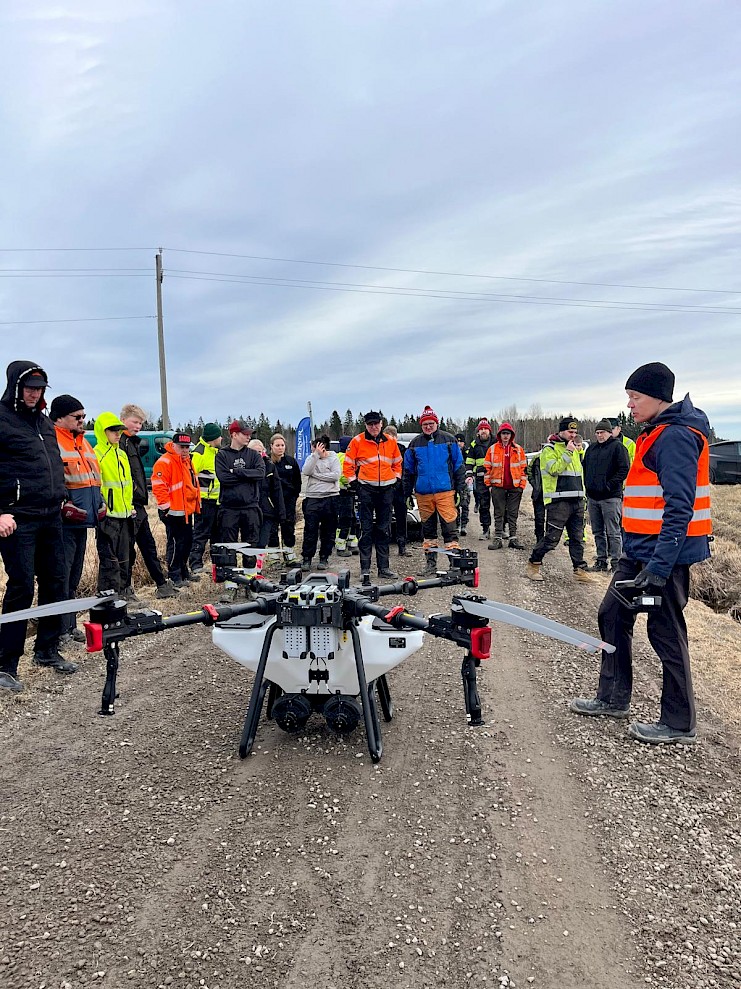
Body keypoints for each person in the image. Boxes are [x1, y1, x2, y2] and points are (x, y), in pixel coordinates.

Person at [571, 362, 711, 745]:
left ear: (658, 397)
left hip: (663, 557)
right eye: (629, 398)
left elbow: (679, 507)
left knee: (665, 632)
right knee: (612, 615)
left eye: (635, 397)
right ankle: (613, 698)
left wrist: (660, 567)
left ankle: (679, 722)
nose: (630, 405)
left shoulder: (676, 436)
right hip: (638, 551)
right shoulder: (657, 432)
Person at [0, 362, 76, 691]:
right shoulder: (2, 419)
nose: (35, 393)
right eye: (30, 387)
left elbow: (52, 465)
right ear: (16, 387)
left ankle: (46, 650)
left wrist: (62, 498)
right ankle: (6, 664)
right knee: (21, 588)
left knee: (55, 583)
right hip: (17, 518)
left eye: (40, 388)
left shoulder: (44, 423)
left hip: (51, 516)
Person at [51, 394, 105, 644]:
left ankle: (69, 626)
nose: (82, 420)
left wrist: (100, 502)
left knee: (73, 577)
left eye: (84, 416)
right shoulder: (52, 442)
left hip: (82, 521)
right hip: (63, 524)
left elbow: (93, 479)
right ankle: (59, 630)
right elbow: (52, 480)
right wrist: (64, 505)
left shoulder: (83, 443)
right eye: (77, 417)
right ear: (60, 417)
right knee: (60, 578)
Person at [119, 404, 178, 600]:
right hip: (128, 506)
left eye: (141, 423)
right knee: (128, 551)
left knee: (148, 547)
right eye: (135, 422)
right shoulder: (121, 444)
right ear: (123, 420)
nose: (138, 426)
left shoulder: (133, 443)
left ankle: (162, 584)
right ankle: (125, 591)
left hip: (139, 504)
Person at [526, 416, 592, 584]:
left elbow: (578, 474)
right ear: (561, 431)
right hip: (558, 501)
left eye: (575, 432)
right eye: (570, 432)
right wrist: (568, 452)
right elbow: (554, 469)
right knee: (551, 539)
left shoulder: (575, 449)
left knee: (577, 538)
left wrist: (583, 497)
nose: (573, 435)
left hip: (577, 500)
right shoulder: (549, 450)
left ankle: (579, 570)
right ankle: (533, 564)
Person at [403, 405, 466, 577]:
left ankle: (454, 565)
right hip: (423, 494)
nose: (428, 426)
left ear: (436, 423)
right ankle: (430, 565)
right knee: (428, 532)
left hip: (445, 492)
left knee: (450, 530)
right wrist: (407, 493)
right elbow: (408, 471)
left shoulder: (449, 440)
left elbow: (459, 467)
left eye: (431, 423)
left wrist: (460, 490)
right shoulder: (414, 444)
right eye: (425, 424)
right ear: (421, 425)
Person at [343, 411, 403, 580]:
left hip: (386, 491)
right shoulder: (357, 441)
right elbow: (348, 465)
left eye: (376, 423)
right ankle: (365, 569)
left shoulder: (391, 441)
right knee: (366, 530)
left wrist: (396, 480)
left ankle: (384, 568)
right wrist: (354, 484)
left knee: (384, 530)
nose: (374, 427)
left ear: (381, 424)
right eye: (370, 424)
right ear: (366, 425)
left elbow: (398, 463)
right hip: (366, 490)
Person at [152, 432, 202, 588]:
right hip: (172, 512)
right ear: (173, 446)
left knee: (186, 542)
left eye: (187, 447)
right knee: (175, 544)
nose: (185, 450)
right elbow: (159, 486)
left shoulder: (187, 461)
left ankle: (183, 571)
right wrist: (166, 508)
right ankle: (174, 575)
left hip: (185, 510)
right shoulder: (165, 461)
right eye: (182, 447)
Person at [94, 412, 135, 595]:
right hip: (108, 517)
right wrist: (103, 508)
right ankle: (108, 599)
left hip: (125, 515)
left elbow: (127, 485)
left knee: (125, 559)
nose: (117, 434)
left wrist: (130, 507)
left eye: (119, 430)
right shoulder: (97, 454)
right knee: (109, 562)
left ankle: (124, 594)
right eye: (112, 430)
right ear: (102, 431)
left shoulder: (122, 454)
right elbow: (97, 486)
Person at [214, 420, 265, 565]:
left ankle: (250, 576)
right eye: (245, 434)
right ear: (234, 435)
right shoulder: (222, 455)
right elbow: (224, 478)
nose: (248, 437)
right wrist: (248, 476)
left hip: (250, 507)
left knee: (251, 547)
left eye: (249, 434)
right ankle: (231, 576)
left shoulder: (254, 455)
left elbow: (260, 473)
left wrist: (236, 472)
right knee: (228, 547)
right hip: (229, 509)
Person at [583, 418, 630, 572]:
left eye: (602, 432)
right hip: (593, 498)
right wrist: (588, 487)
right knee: (597, 532)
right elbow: (585, 468)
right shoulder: (591, 449)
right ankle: (601, 561)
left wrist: (609, 485)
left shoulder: (618, 448)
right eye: (597, 433)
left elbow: (624, 469)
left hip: (611, 497)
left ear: (609, 432)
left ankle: (616, 564)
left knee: (613, 532)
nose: (599, 435)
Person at [483, 422, 528, 550]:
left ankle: (513, 538)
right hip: (498, 486)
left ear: (511, 435)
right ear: (499, 435)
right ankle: (498, 538)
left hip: (515, 487)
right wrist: (489, 485)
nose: (506, 436)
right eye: (503, 433)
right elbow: (487, 468)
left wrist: (521, 485)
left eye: (508, 433)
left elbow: (524, 469)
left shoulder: (518, 450)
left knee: (513, 513)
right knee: (499, 513)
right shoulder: (492, 449)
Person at [300, 434, 341, 571]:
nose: (314, 450)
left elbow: (335, 475)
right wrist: (315, 456)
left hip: (331, 497)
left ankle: (324, 557)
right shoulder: (311, 458)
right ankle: (307, 557)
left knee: (328, 530)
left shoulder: (333, 458)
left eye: (316, 448)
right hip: (313, 497)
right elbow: (306, 471)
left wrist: (317, 475)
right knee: (310, 530)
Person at [189, 422, 223, 573]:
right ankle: (195, 564)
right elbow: (191, 477)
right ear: (213, 438)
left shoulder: (215, 452)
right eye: (219, 436)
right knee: (201, 533)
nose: (222, 438)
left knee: (217, 534)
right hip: (204, 501)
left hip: (217, 500)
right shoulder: (199, 453)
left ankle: (217, 564)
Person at [269, 432, 302, 563]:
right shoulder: (268, 462)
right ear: (271, 446)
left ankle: (289, 555)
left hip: (288, 501)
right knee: (272, 529)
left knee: (288, 527)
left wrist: (294, 496)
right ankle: (273, 557)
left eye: (282, 445)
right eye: (277, 445)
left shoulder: (291, 462)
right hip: (272, 502)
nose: (280, 448)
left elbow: (297, 481)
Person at [248, 438, 286, 547]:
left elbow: (277, 490)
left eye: (259, 452)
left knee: (262, 542)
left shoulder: (270, 466)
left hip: (266, 510)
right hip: (249, 510)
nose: (257, 454)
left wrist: (281, 512)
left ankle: (260, 558)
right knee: (251, 543)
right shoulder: (245, 467)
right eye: (254, 452)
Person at [465, 419, 496, 540]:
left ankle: (501, 529)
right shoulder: (474, 445)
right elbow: (469, 462)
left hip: (496, 477)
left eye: (485, 429)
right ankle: (485, 529)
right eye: (481, 429)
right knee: (483, 505)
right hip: (480, 479)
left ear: (489, 430)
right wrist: (469, 475)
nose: (483, 431)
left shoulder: (496, 442)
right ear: (478, 432)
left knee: (500, 505)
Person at [384, 425, 409, 555]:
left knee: (401, 518)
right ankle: (386, 546)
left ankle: (401, 545)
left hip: (400, 489)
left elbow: (408, 469)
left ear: (396, 437)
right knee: (386, 518)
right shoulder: (381, 450)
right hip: (386, 489)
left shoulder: (403, 450)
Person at [335, 435, 359, 558]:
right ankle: (341, 545)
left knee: (351, 518)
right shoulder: (346, 457)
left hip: (344, 492)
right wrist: (354, 483)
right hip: (345, 491)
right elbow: (345, 476)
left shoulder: (337, 456)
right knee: (347, 518)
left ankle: (351, 542)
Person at [453, 433, 470, 536]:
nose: (459, 443)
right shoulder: (451, 452)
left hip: (465, 482)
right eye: (457, 441)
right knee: (455, 504)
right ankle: (457, 524)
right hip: (454, 482)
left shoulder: (467, 453)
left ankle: (464, 525)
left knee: (465, 504)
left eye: (461, 441)